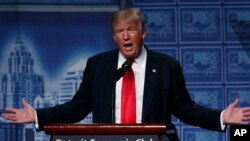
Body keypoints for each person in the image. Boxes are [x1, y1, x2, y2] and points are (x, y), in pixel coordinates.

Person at [2, 8, 250, 141]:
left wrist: (221, 117)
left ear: (143, 33)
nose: (126, 36)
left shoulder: (166, 67)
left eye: (131, 29)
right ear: (114, 36)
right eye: (119, 31)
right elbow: (77, 107)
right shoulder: (98, 65)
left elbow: (185, 109)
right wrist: (37, 115)